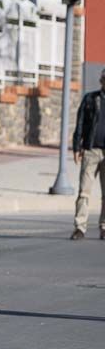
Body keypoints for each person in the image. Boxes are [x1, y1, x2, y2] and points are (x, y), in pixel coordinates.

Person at [70, 69, 105, 240]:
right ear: (101, 80)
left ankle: (104, 226)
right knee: (84, 191)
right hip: (91, 150)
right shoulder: (90, 99)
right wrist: (77, 147)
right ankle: (80, 227)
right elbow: (80, 123)